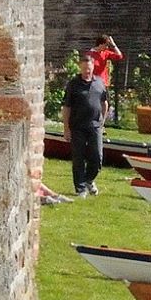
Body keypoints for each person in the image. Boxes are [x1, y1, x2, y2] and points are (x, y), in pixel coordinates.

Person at [60, 56, 106, 197]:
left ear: (93, 68)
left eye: (89, 69)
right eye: (85, 69)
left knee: (97, 156)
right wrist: (66, 129)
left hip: (95, 126)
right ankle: (80, 188)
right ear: (80, 67)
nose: (87, 71)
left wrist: (102, 122)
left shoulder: (99, 83)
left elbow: (104, 103)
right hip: (77, 126)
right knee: (78, 157)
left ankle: (89, 180)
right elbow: (66, 107)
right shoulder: (73, 84)